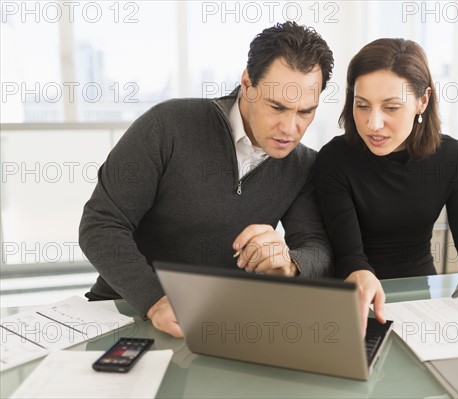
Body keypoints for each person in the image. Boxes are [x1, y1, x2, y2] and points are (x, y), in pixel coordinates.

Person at [79, 21, 334, 338]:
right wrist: (155, 301)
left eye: (305, 112)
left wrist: (290, 262)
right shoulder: (168, 126)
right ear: (247, 83)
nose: (289, 128)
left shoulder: (304, 165)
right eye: (276, 107)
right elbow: (101, 224)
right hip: (125, 312)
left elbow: (318, 250)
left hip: (215, 326)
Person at [314, 38, 458, 332]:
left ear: (423, 101)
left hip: (420, 299)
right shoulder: (334, 160)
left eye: (391, 107)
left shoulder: (451, 158)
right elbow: (350, 255)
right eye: (362, 105)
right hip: (353, 299)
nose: (373, 124)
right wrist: (359, 274)